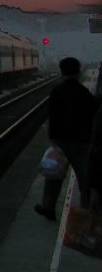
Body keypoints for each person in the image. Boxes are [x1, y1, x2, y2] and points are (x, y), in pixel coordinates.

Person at [39, 56, 96, 220]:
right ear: (78, 72)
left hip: (61, 142)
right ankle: (86, 211)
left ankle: (48, 207)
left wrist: (53, 138)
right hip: (82, 142)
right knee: (85, 180)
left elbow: (52, 116)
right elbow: (93, 113)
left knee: (53, 176)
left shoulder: (57, 91)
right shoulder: (84, 92)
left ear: (61, 71)